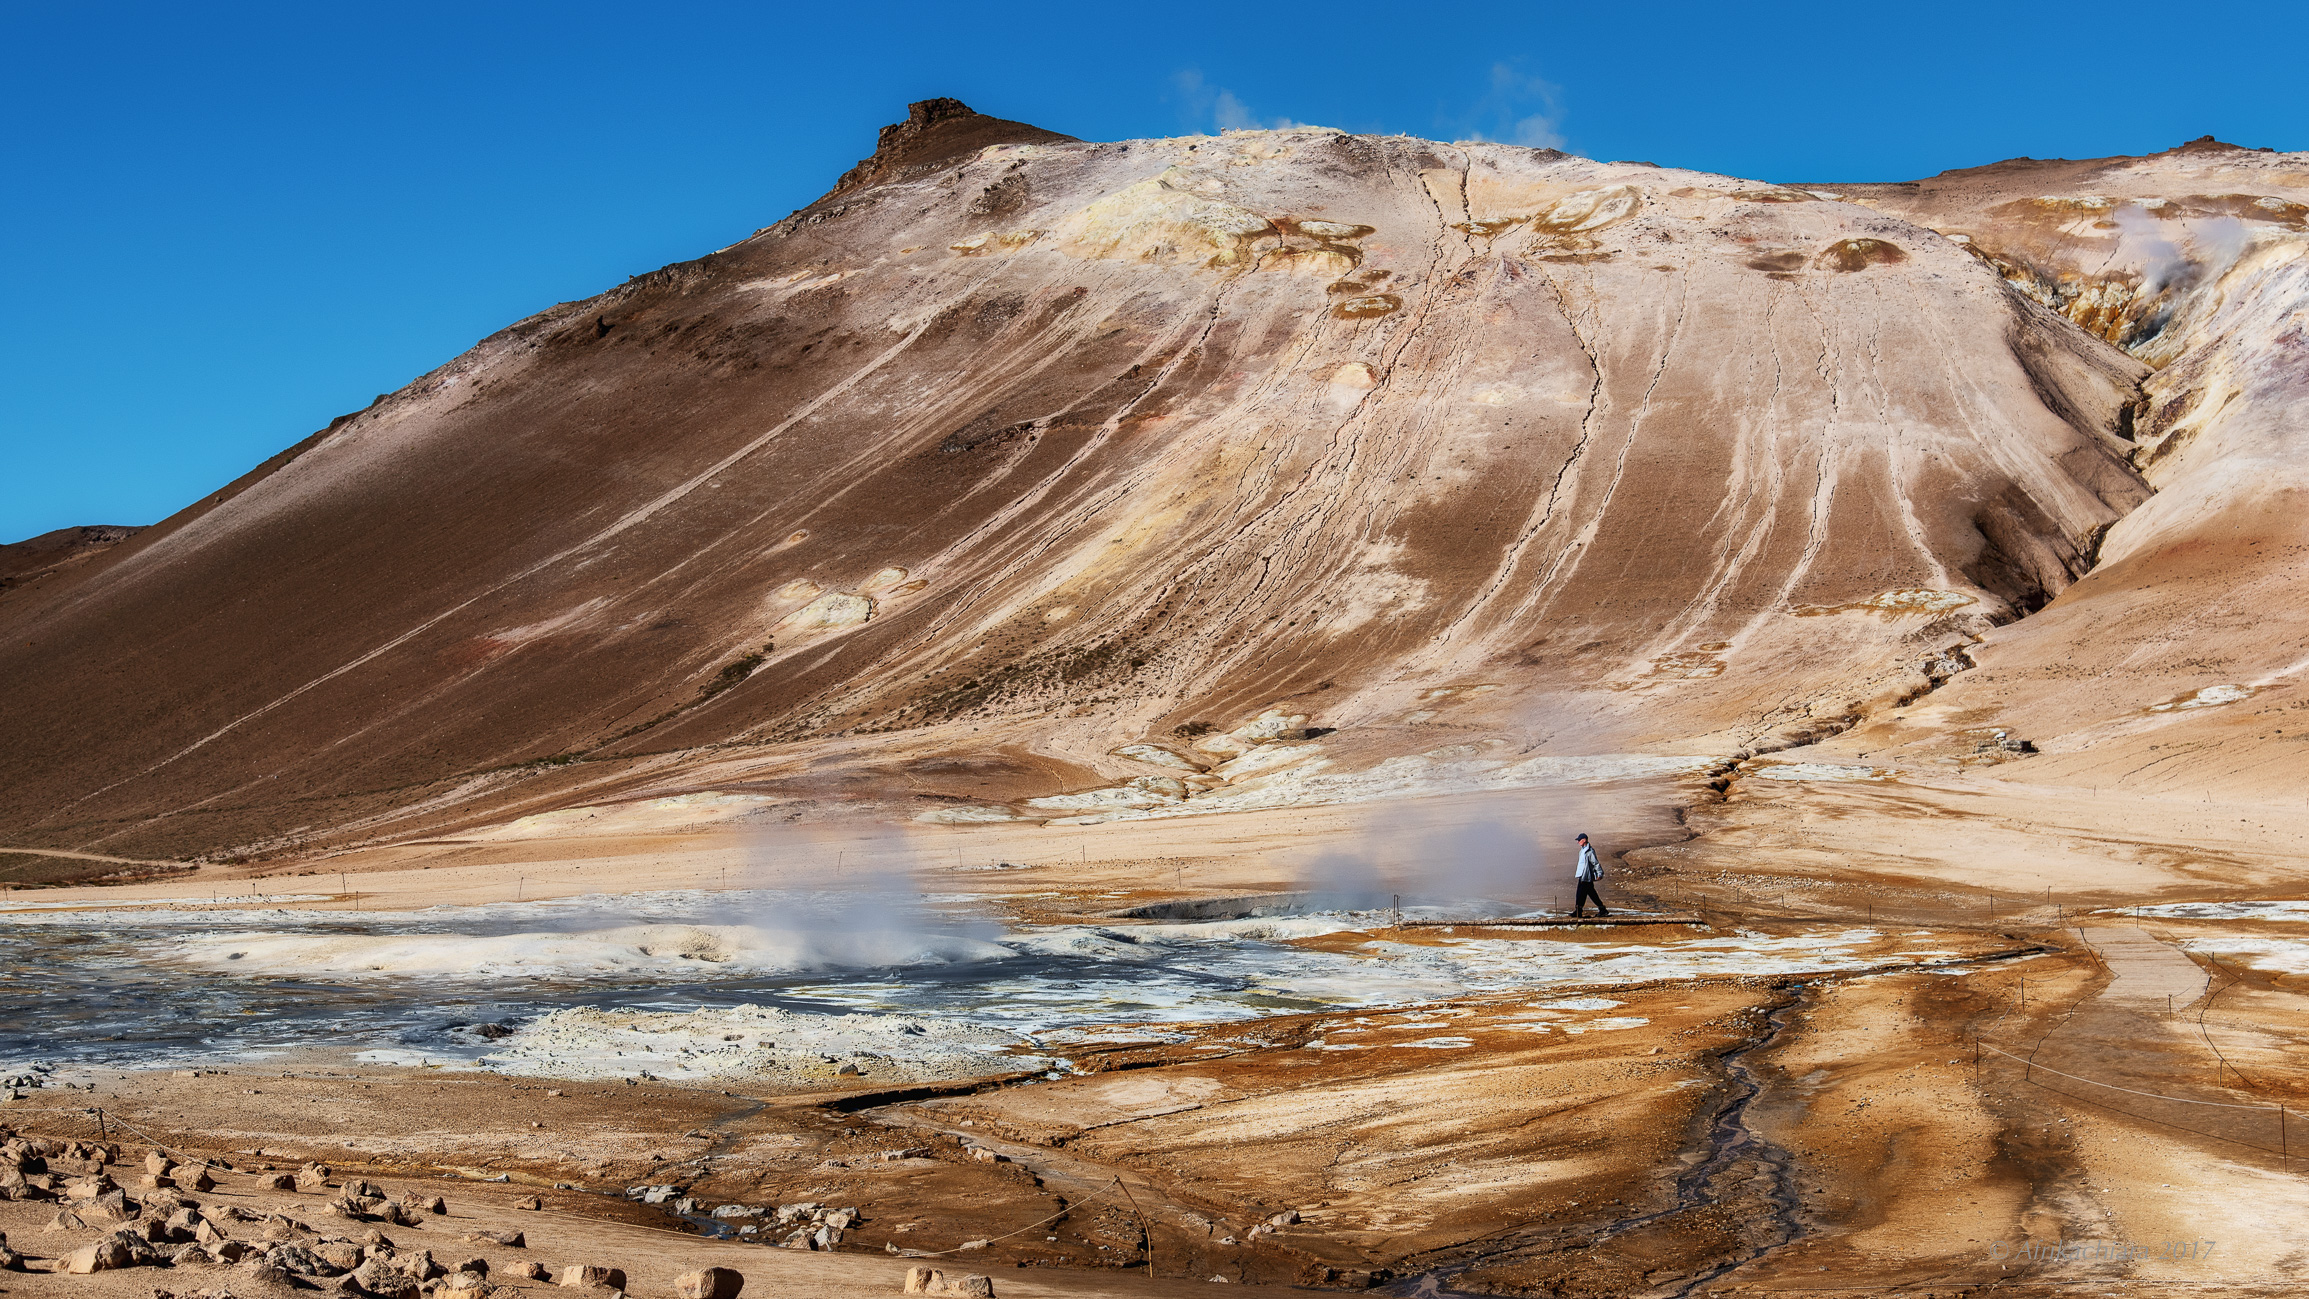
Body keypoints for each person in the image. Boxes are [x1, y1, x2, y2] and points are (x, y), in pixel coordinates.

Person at [1572, 832, 1609, 918]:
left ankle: (1579, 911)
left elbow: (1595, 863)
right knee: (1590, 893)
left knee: (1580, 893)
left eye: (1579, 840)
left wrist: (1599, 873)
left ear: (1584, 840)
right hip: (1582, 875)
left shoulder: (1590, 851)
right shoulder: (1582, 851)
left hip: (1586, 876)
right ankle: (1601, 909)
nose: (1578, 842)